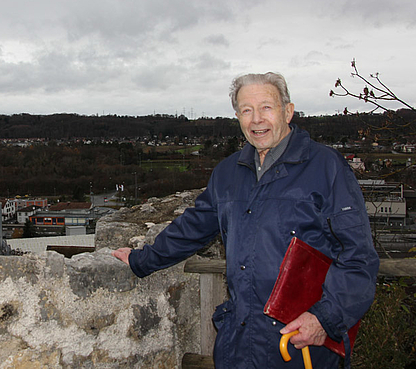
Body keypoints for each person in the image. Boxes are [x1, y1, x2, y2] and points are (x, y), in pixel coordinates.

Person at [113, 72, 379, 368]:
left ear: (287, 112)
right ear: (237, 116)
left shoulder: (327, 168)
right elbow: (194, 227)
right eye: (246, 110)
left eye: (266, 107)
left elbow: (359, 258)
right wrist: (141, 260)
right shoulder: (228, 173)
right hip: (239, 342)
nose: (256, 120)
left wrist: (324, 319)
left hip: (300, 344)